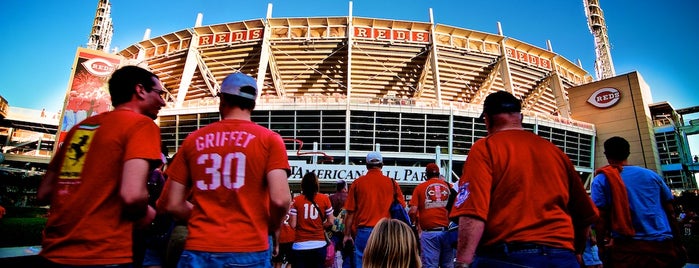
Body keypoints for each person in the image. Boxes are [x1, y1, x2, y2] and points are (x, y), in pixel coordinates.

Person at [449, 91, 598, 268]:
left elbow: (473, 212)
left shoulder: (485, 148)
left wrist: (462, 262)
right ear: (521, 117)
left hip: (507, 257)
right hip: (562, 256)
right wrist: (577, 252)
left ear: (487, 120)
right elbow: (584, 215)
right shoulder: (555, 152)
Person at [157, 72, 292, 267]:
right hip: (249, 245)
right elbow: (281, 200)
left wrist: (207, 217)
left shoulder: (193, 140)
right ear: (253, 104)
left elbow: (171, 202)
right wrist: (273, 225)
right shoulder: (270, 140)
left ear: (223, 100)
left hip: (199, 246)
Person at [36, 65, 166, 266]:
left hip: (54, 251)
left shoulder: (80, 129)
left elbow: (44, 192)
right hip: (103, 251)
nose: (163, 101)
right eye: (160, 93)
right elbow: (132, 195)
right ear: (140, 90)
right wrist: (148, 214)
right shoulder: (141, 125)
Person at [591, 136, 685, 267]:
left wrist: (600, 247)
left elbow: (600, 218)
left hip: (627, 250)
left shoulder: (602, 179)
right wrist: (679, 244)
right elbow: (670, 212)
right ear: (628, 153)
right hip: (662, 246)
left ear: (606, 154)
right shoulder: (652, 176)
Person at [343, 151, 407, 267]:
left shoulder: (357, 183)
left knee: (362, 263)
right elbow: (402, 207)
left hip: (363, 232)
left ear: (366, 166)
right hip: (385, 232)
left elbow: (350, 213)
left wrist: (347, 235)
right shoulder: (392, 183)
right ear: (382, 165)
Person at [409, 163, 453, 268]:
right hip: (448, 232)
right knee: (448, 265)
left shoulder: (420, 188)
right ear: (438, 174)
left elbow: (413, 211)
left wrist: (413, 224)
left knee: (430, 265)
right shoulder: (449, 187)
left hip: (429, 234)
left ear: (426, 175)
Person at [289, 172, 335, 268]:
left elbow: (292, 224)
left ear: (303, 184)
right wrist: (320, 226)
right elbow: (331, 221)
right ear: (316, 184)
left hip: (300, 245)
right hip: (319, 244)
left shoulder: (296, 200)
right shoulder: (324, 199)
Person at [329, 179, 352, 268]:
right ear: (345, 188)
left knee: (332, 252)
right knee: (347, 254)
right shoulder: (349, 198)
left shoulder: (331, 198)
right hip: (346, 230)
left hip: (333, 230)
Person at [273, 201, 295, 268]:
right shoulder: (293, 207)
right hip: (291, 237)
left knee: (277, 262)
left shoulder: (276, 206)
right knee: (291, 262)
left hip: (279, 238)